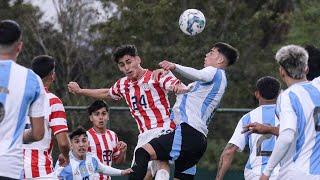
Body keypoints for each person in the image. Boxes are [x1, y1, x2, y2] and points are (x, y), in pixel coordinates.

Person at [68, 45, 187, 180]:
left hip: (163, 129)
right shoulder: (123, 84)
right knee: (138, 175)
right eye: (122, 65)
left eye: (129, 62)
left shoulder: (156, 75)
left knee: (161, 161)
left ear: (138, 60)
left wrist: (177, 87)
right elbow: (107, 92)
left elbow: (175, 84)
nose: (126, 68)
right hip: (144, 136)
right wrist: (80, 91)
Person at [129, 42, 239, 180]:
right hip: (198, 141)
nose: (206, 54)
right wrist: (166, 73)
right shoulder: (205, 84)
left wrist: (174, 66)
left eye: (211, 53)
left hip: (187, 132)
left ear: (220, 60)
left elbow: (199, 74)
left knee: (142, 152)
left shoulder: (215, 72)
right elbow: (182, 90)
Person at [258, 45, 320, 180]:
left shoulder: (288, 96)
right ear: (306, 68)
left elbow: (286, 136)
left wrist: (266, 172)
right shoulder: (318, 85)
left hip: (297, 173)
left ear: (282, 72)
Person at [0, 20, 46, 179]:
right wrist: (16, 134)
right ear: (19, 46)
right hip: (9, 167)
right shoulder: (32, 80)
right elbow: (39, 133)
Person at [215, 76, 281, 180]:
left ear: (257, 94)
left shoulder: (248, 118)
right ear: (279, 94)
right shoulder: (288, 115)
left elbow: (229, 151)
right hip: (283, 174)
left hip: (256, 174)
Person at [23, 55, 70, 179]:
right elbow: (64, 143)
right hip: (40, 170)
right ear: (52, 75)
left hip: (12, 168)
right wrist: (68, 158)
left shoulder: (17, 98)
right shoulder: (53, 101)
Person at [54, 127, 132, 179]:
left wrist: (122, 172)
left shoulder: (92, 159)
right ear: (71, 145)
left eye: (84, 141)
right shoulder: (64, 161)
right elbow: (53, 177)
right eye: (77, 141)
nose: (81, 145)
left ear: (88, 144)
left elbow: (104, 169)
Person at [86, 100, 127, 180]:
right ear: (91, 118)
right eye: (97, 114)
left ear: (108, 116)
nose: (101, 117)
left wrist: (123, 151)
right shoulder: (86, 137)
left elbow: (118, 162)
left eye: (103, 113)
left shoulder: (113, 135)